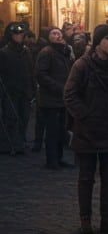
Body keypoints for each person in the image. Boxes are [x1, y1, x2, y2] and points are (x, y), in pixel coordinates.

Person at [62, 24, 108, 234]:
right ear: (98, 42)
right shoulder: (82, 66)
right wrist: (85, 116)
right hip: (88, 132)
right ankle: (85, 221)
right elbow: (70, 94)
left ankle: (106, 219)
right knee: (86, 178)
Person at [33, 26, 75, 170]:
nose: (57, 35)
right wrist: (57, 87)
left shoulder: (62, 52)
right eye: (53, 33)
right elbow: (41, 75)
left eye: (58, 33)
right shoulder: (46, 52)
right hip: (50, 99)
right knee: (52, 131)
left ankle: (59, 157)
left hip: (61, 98)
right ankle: (52, 160)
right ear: (48, 36)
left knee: (60, 131)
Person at [0, 21, 35, 155]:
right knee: (10, 119)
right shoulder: (3, 53)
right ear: (11, 35)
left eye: (21, 34)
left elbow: (30, 72)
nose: (19, 36)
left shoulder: (26, 51)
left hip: (25, 92)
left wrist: (32, 90)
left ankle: (20, 143)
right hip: (10, 92)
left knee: (24, 118)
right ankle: (9, 145)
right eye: (16, 34)